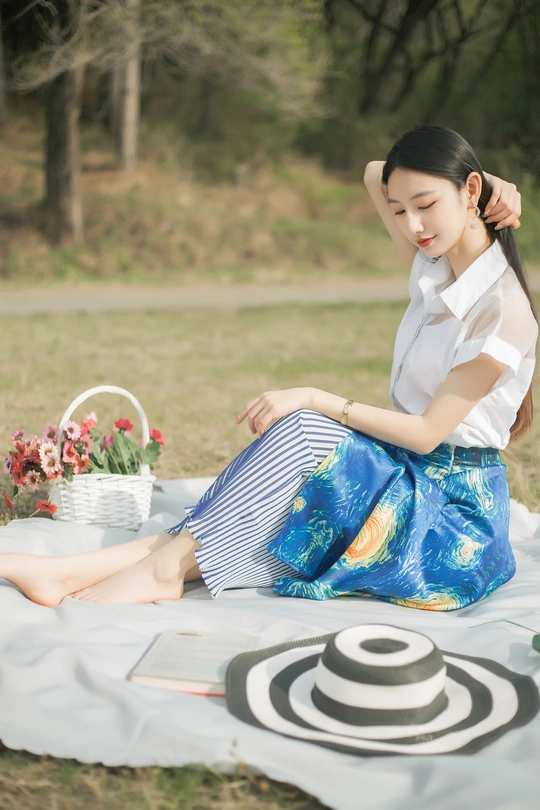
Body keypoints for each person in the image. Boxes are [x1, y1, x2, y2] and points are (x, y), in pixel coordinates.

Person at [1, 125, 536, 610]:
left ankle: (153, 572)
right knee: (263, 506)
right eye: (399, 211)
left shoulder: (502, 309)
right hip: (404, 477)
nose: (412, 224)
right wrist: (487, 184)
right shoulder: (434, 265)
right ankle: (73, 571)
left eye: (426, 204)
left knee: (304, 431)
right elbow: (376, 172)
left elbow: (425, 434)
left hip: (450, 523)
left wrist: (315, 396)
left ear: (465, 193)